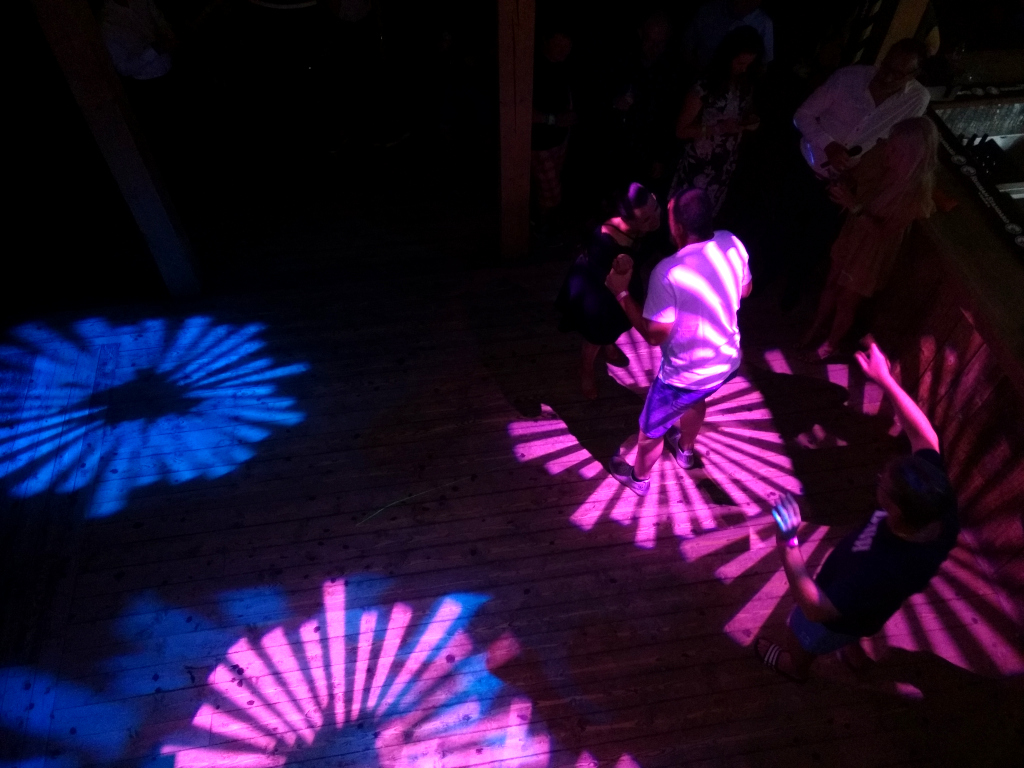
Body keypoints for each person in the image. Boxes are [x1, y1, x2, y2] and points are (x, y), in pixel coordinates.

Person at [757, 341, 959, 682]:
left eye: (883, 485)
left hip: (833, 614)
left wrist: (787, 541)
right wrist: (885, 380)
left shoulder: (882, 568)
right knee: (855, 622)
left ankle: (795, 667)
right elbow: (926, 439)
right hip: (866, 611)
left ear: (896, 511)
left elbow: (815, 608)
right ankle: (853, 652)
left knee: (805, 635)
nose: (878, 480)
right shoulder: (938, 507)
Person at [603, 189, 751, 492]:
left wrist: (621, 292)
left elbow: (653, 335)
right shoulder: (732, 242)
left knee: (650, 431)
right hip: (726, 362)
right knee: (697, 400)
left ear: (678, 227)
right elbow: (745, 290)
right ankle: (685, 451)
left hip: (684, 376)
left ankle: (639, 479)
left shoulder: (668, 271)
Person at [778, 38, 931, 309]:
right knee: (779, 227)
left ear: (914, 75)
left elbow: (892, 143)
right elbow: (802, 115)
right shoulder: (849, 78)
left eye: (898, 74)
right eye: (887, 67)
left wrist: (862, 175)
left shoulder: (916, 100)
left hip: (845, 182)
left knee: (815, 241)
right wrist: (828, 144)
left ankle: (791, 292)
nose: (887, 77)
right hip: (804, 166)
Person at [800, 117, 939, 360]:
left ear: (913, 156)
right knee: (831, 284)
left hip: (872, 251)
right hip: (853, 234)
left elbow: (882, 232)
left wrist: (853, 205)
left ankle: (830, 345)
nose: (888, 152)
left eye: (895, 150)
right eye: (890, 145)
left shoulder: (916, 196)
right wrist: (843, 182)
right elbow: (856, 177)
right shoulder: (882, 162)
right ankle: (814, 328)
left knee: (846, 301)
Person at [556, 184, 663, 399]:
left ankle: (609, 345)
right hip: (599, 291)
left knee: (616, 325)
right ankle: (586, 368)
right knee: (596, 333)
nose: (655, 220)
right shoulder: (604, 242)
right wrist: (620, 269)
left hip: (621, 284)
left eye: (655, 208)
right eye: (646, 219)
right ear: (628, 220)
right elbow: (601, 281)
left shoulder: (647, 229)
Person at [670, 26, 762, 218]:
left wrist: (750, 121)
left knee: (706, 217)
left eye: (748, 64)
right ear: (729, 56)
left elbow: (746, 112)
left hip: (724, 164)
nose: (744, 68)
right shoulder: (704, 86)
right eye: (740, 63)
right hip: (699, 164)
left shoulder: (744, 84)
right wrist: (718, 128)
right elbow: (681, 130)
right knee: (686, 215)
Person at [531, 28, 576, 219]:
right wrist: (554, 119)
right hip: (540, 144)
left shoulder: (563, 64)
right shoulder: (531, 68)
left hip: (560, 139)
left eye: (568, 45)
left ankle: (542, 221)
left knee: (549, 185)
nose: (564, 50)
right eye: (559, 44)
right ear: (545, 40)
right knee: (551, 194)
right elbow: (519, 110)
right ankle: (540, 225)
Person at [684, 0, 774, 70]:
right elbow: (687, 47)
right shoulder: (708, 12)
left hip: (738, 83)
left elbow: (764, 62)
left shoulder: (763, 23)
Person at [100, 0, 176, 82]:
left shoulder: (142, 2)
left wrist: (169, 35)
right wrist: (152, 51)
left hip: (171, 62)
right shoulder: (107, 22)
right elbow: (123, 68)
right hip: (147, 78)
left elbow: (160, 20)